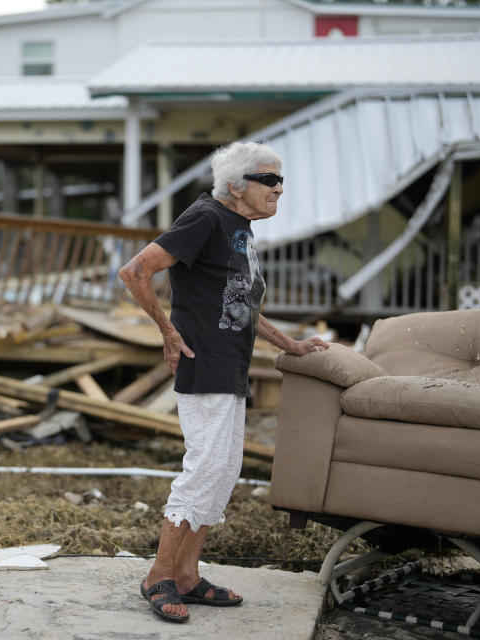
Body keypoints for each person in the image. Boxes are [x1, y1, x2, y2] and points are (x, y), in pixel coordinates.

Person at [118, 140, 329, 623]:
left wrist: (290, 345)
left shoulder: (239, 228)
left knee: (223, 471)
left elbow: (243, 304)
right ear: (236, 185)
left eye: (281, 179)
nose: (280, 188)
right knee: (204, 470)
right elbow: (135, 271)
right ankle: (159, 577)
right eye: (269, 179)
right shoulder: (206, 218)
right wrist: (168, 332)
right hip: (204, 362)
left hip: (229, 365)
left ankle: (188, 576)